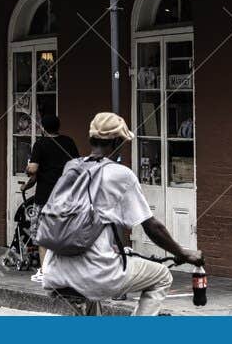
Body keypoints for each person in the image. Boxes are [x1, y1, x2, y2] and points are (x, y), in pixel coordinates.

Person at [41, 112, 202, 316]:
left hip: (55, 270)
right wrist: (182, 253)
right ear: (116, 141)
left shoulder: (72, 168)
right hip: (97, 272)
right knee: (162, 276)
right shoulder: (120, 174)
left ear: (91, 139)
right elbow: (151, 226)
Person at [23, 112, 79, 282]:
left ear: (43, 128)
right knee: (63, 234)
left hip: (45, 197)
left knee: (42, 236)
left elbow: (32, 170)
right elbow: (77, 165)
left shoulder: (40, 144)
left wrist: (28, 169)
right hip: (66, 196)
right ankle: (64, 270)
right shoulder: (68, 142)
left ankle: (45, 271)